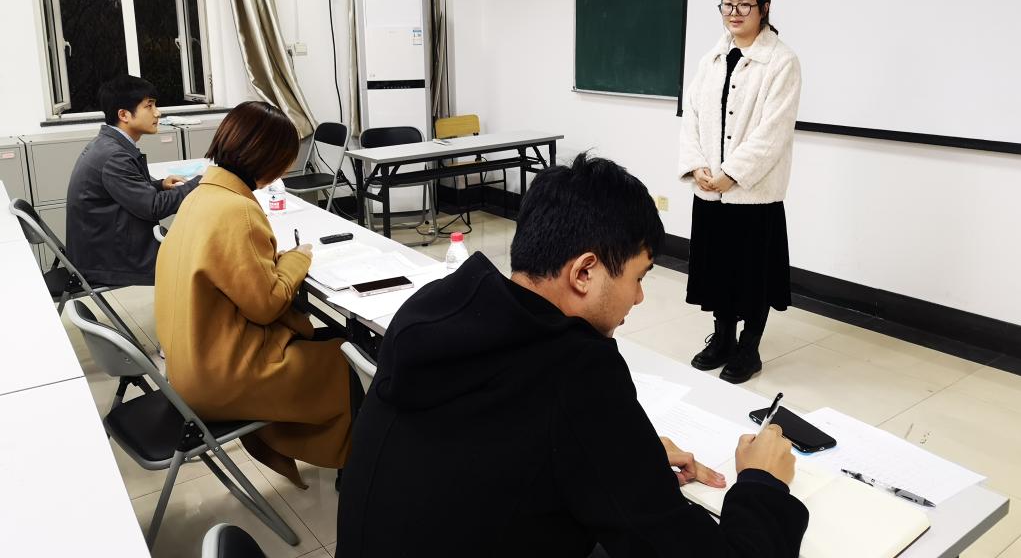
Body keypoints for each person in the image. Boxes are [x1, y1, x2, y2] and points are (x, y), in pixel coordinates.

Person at [337, 154, 808, 557]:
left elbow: (500, 443)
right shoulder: (578, 371)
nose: (639, 297)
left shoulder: (437, 308)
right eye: (638, 277)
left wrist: (624, 452)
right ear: (585, 272)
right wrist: (762, 483)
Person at [154, 100, 353, 487]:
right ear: (268, 159)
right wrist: (298, 258)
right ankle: (356, 469)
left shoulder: (200, 197)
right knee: (347, 363)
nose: (287, 169)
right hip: (219, 378)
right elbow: (267, 306)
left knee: (327, 345)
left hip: (187, 368)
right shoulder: (237, 210)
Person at [678, 0, 802, 384]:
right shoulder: (711, 59)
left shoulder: (781, 61)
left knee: (752, 275)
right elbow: (692, 116)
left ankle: (749, 348)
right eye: (727, 4)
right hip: (710, 190)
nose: (734, 12)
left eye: (744, 4)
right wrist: (697, 165)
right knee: (718, 270)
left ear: (764, 8)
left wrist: (731, 174)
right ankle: (722, 339)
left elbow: (773, 131)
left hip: (753, 193)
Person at [66, 74, 199, 287]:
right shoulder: (114, 156)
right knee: (202, 257)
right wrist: (200, 183)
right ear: (124, 115)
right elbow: (153, 207)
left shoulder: (107, 144)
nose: (158, 113)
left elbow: (124, 191)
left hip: (105, 248)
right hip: (109, 260)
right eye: (149, 106)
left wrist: (160, 184)